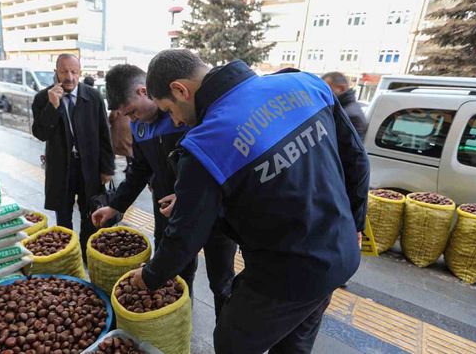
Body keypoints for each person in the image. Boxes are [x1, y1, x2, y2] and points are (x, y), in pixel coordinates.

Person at [128, 49, 369, 354]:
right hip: (341, 252)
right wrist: (356, 223)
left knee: (231, 342)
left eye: (168, 109)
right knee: (294, 344)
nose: (174, 121)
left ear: (180, 90)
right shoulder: (305, 84)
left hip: (285, 274)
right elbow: (356, 160)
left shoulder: (205, 143)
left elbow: (185, 236)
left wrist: (150, 276)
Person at [91, 64, 237, 317]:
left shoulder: (189, 113)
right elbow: (140, 169)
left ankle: (226, 333)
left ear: (144, 91)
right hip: (167, 211)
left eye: (133, 112)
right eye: (128, 116)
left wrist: (187, 197)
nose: (133, 120)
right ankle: (181, 321)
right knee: (176, 272)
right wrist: (116, 205)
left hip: (214, 212)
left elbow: (225, 163)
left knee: (221, 280)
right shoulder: (140, 127)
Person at [31, 54, 114, 256]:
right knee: (63, 214)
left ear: (80, 73)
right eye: (64, 71)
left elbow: (105, 132)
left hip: (89, 166)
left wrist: (107, 167)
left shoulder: (92, 96)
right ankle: (67, 254)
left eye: (74, 72)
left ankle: (87, 254)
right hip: (61, 168)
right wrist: (53, 106)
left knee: (90, 212)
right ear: (56, 72)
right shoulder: (43, 98)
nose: (69, 77)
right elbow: (41, 133)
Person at [322, 71, 368, 139]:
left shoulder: (351, 115)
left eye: (327, 90)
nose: (324, 94)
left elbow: (354, 147)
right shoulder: (341, 109)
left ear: (342, 88)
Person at [107, 109, 133, 174]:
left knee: (112, 148)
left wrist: (108, 121)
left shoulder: (116, 105)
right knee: (128, 147)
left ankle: (111, 167)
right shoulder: (125, 104)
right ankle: (130, 165)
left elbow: (113, 116)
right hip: (128, 125)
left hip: (119, 128)